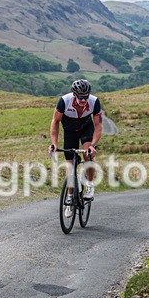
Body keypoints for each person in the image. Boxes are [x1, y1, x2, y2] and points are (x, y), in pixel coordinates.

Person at [48, 79, 103, 217]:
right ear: (74, 95)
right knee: (70, 168)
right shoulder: (64, 101)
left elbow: (98, 125)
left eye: (86, 96)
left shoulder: (94, 102)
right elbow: (55, 122)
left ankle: (89, 185)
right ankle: (70, 197)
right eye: (80, 97)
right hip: (70, 131)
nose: (84, 100)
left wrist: (93, 145)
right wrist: (54, 144)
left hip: (86, 129)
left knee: (87, 155)